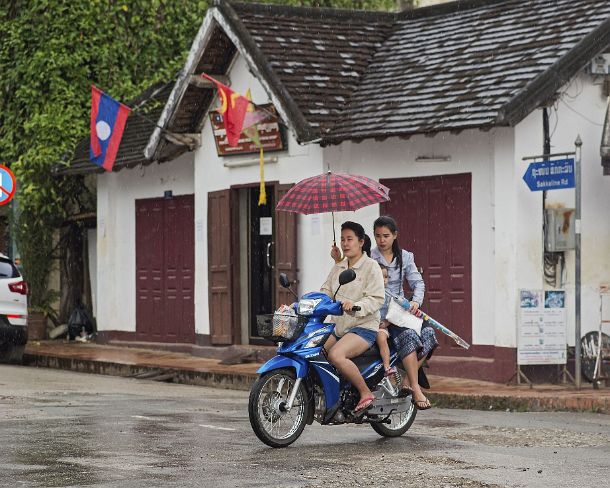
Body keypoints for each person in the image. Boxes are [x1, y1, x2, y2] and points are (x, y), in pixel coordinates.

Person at [332, 215, 437, 410]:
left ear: (395, 235)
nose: (382, 240)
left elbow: (418, 283)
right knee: (408, 337)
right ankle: (416, 387)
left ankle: (407, 380)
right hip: (378, 313)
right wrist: (338, 258)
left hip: (400, 312)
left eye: (386, 235)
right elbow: (352, 268)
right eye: (378, 236)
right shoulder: (370, 258)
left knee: (430, 334)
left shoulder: (406, 257)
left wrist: (415, 301)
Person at [321, 221, 385, 413]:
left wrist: (355, 305)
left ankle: (366, 393)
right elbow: (325, 291)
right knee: (316, 353)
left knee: (335, 355)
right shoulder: (339, 267)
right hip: (340, 326)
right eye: (342, 239)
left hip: (363, 326)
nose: (345, 244)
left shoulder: (371, 267)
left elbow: (376, 298)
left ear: (361, 242)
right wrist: (302, 304)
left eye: (350, 239)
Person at [375, 264, 396, 377]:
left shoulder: (390, 296)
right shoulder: (368, 292)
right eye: (380, 276)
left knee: (381, 338)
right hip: (366, 325)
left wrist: (387, 322)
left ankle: (387, 366)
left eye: (386, 277)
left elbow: (395, 313)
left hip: (380, 326)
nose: (384, 280)